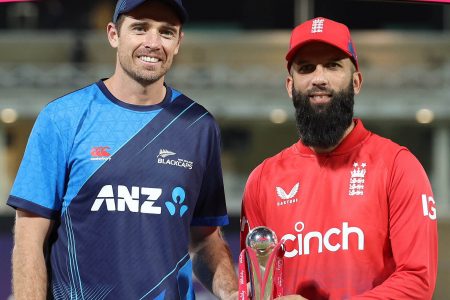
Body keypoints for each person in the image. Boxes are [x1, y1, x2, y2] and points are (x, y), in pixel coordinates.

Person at [8, 0, 238, 299]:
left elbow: (204, 238)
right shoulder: (63, 118)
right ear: (113, 34)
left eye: (166, 32)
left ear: (179, 42)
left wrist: (234, 293)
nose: (153, 43)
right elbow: (29, 239)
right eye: (140, 28)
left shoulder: (199, 126)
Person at [240, 17, 438, 299]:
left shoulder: (398, 166)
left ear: (356, 81)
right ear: (289, 86)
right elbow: (256, 287)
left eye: (333, 65)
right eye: (306, 68)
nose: (319, 78)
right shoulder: (262, 180)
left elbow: (417, 283)